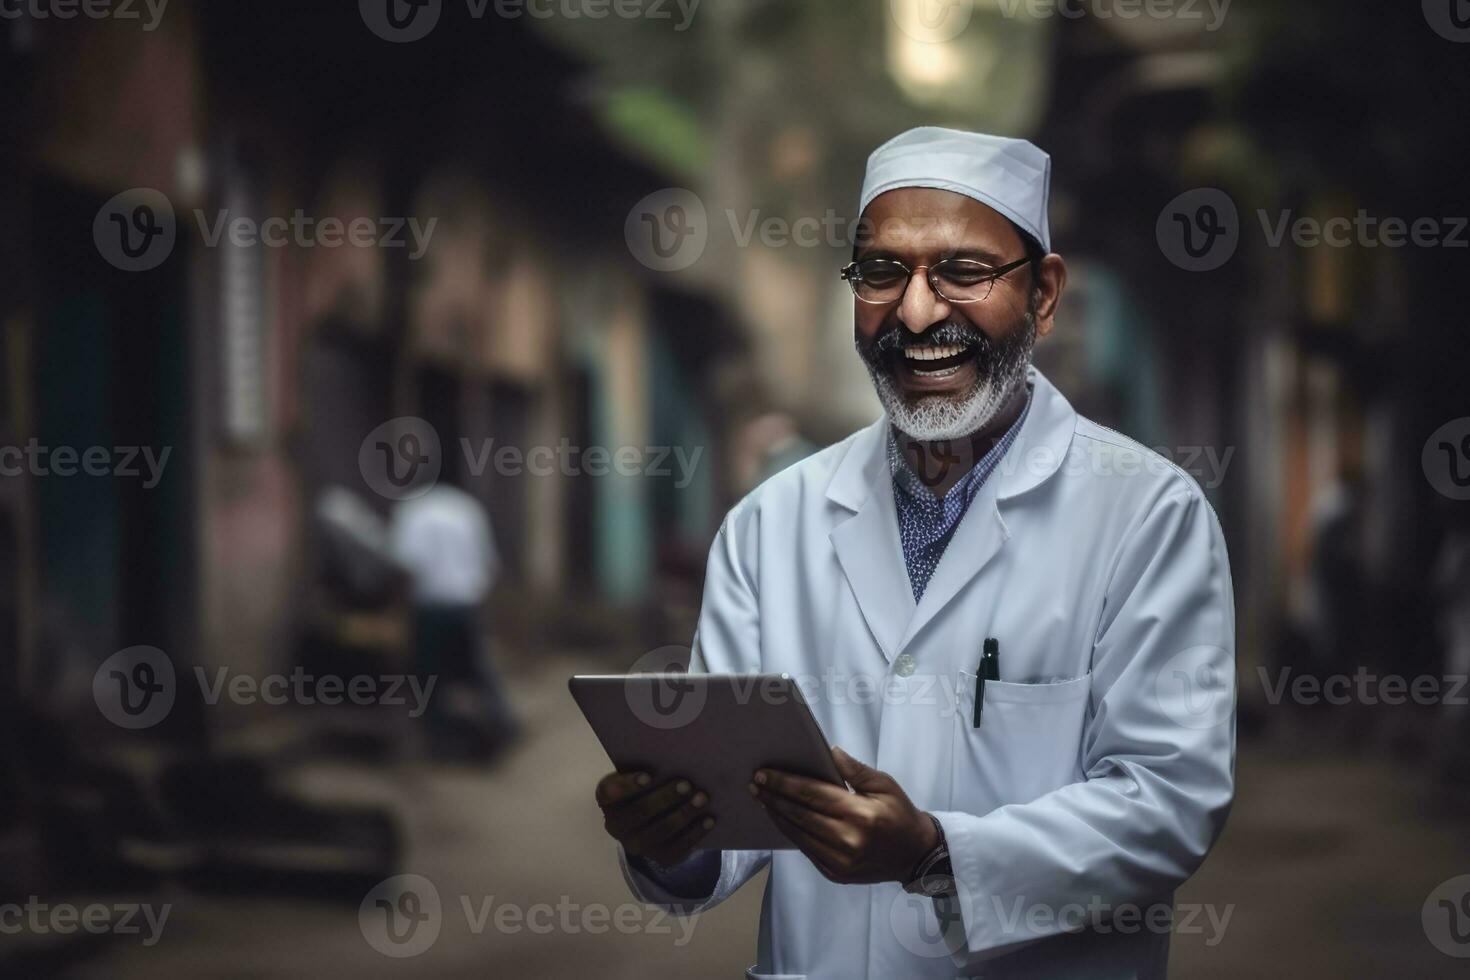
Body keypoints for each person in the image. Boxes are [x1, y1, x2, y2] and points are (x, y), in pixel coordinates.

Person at [594, 127, 1236, 978]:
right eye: (883, 272)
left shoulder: (1147, 515)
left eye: (963, 272)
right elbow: (742, 813)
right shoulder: (768, 525)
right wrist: (674, 840)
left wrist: (937, 853)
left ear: (1044, 295)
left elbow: (1167, 805)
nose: (919, 311)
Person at [390, 479, 518, 759]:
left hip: (431, 607)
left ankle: (438, 741)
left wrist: (400, 611)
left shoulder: (413, 511)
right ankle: (502, 726)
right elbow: (489, 564)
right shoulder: (467, 508)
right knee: (478, 670)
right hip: (467, 604)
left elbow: (408, 564)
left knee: (430, 677)